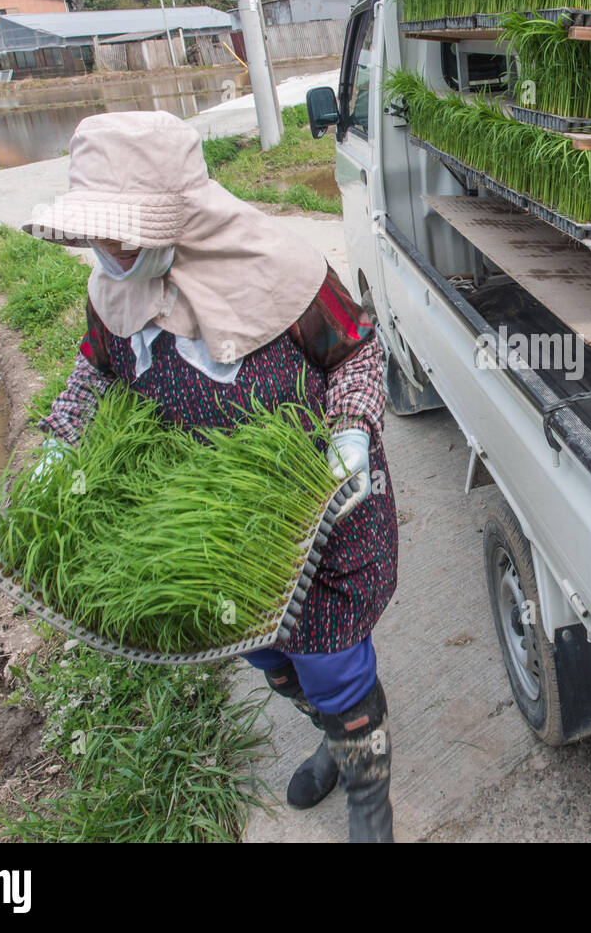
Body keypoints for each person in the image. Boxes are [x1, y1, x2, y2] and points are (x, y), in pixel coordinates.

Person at [25, 110, 399, 843]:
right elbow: (95, 369)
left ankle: (370, 796)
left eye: (124, 232)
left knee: (332, 662)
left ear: (179, 215)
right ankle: (332, 739)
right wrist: (61, 442)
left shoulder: (280, 267)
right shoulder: (114, 291)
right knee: (268, 653)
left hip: (319, 504)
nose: (108, 249)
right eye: (97, 233)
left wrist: (352, 431)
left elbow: (356, 348)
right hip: (221, 531)